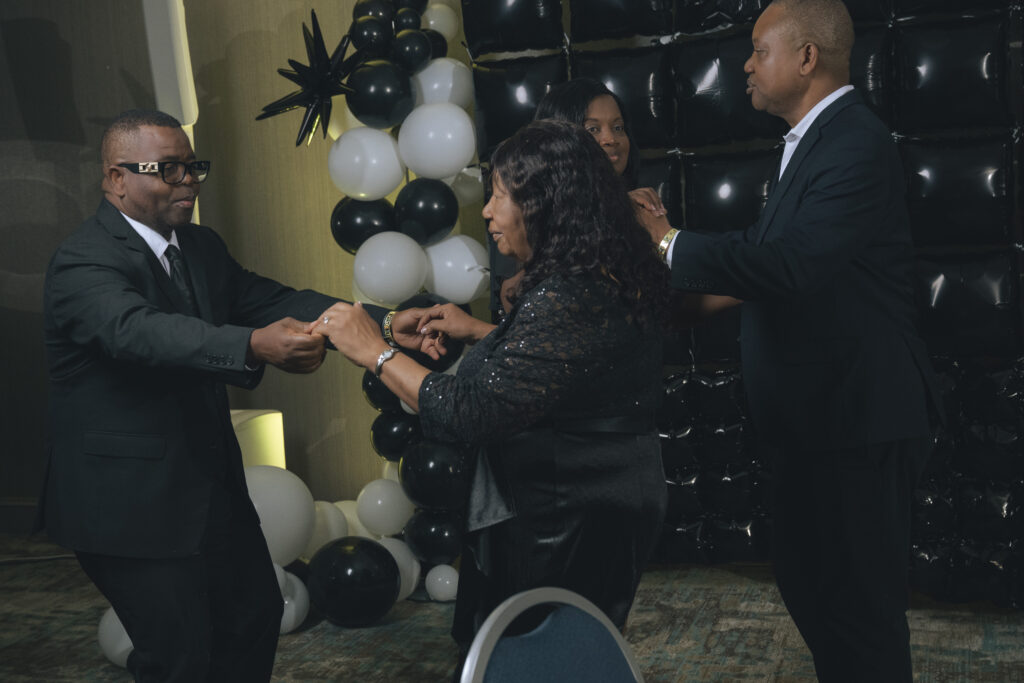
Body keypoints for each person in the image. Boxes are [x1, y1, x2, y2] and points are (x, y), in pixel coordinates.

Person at [37, 109, 424, 683]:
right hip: (128, 504)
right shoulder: (83, 259)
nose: (188, 181)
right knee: (180, 659)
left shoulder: (199, 245)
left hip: (208, 489)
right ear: (117, 178)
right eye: (168, 169)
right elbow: (140, 332)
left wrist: (382, 323)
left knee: (256, 617)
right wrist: (252, 346)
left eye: (193, 167)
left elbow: (270, 300)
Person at [644, 1, 940, 680]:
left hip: (857, 419)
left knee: (860, 616)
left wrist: (665, 241)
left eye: (758, 49)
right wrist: (671, 302)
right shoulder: (812, 141)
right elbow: (767, 257)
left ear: (807, 58)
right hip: (817, 423)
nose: (745, 65)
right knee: (815, 592)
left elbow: (788, 265)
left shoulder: (855, 141)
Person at [314, 119, 671, 675]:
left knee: (539, 658)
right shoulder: (599, 271)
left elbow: (471, 412)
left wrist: (375, 352)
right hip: (595, 492)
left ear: (543, 204)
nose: (486, 211)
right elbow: (561, 369)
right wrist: (482, 335)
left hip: (568, 509)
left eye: (500, 196)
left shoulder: (568, 293)